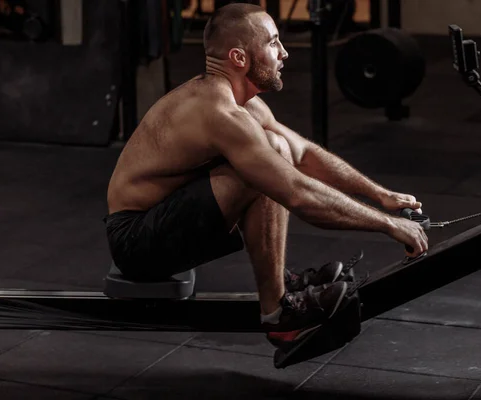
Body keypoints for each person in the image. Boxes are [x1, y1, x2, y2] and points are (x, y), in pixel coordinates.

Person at [104, 3, 428, 349]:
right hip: (136, 243)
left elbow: (304, 154)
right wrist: (388, 225)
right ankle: (278, 314)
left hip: (159, 219)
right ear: (240, 58)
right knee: (264, 164)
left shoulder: (240, 101)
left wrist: (380, 195)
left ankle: (279, 288)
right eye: (273, 43)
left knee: (276, 148)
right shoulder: (220, 112)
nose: (284, 53)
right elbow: (297, 194)